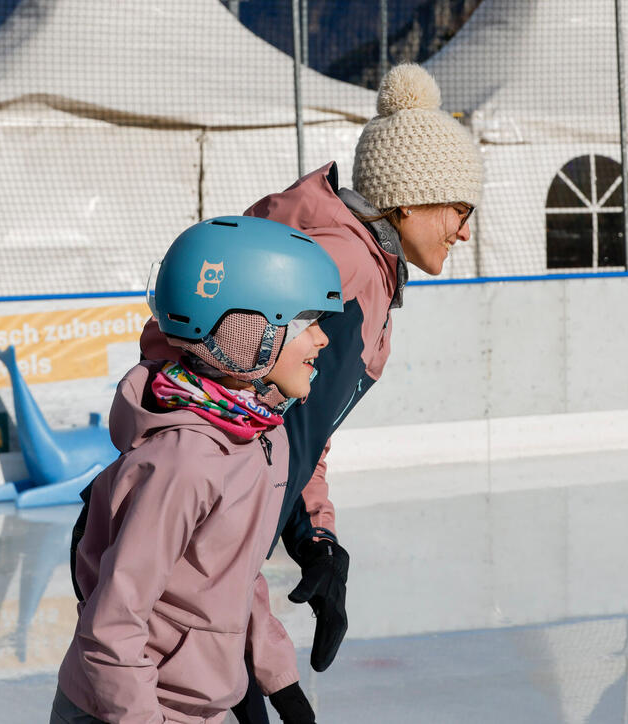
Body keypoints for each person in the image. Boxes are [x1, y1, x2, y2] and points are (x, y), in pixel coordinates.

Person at [141, 63, 483, 721]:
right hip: (192, 595)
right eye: (459, 208)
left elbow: (291, 429)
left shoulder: (362, 269)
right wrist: (266, 667)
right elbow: (234, 445)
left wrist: (315, 538)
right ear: (407, 200)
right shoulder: (343, 272)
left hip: (216, 592)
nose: (464, 230)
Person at [53, 216, 342, 724]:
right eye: (306, 323)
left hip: (195, 704)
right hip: (124, 709)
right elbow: (113, 626)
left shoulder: (259, 431)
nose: (322, 339)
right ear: (249, 330)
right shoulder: (185, 460)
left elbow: (231, 573)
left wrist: (279, 678)